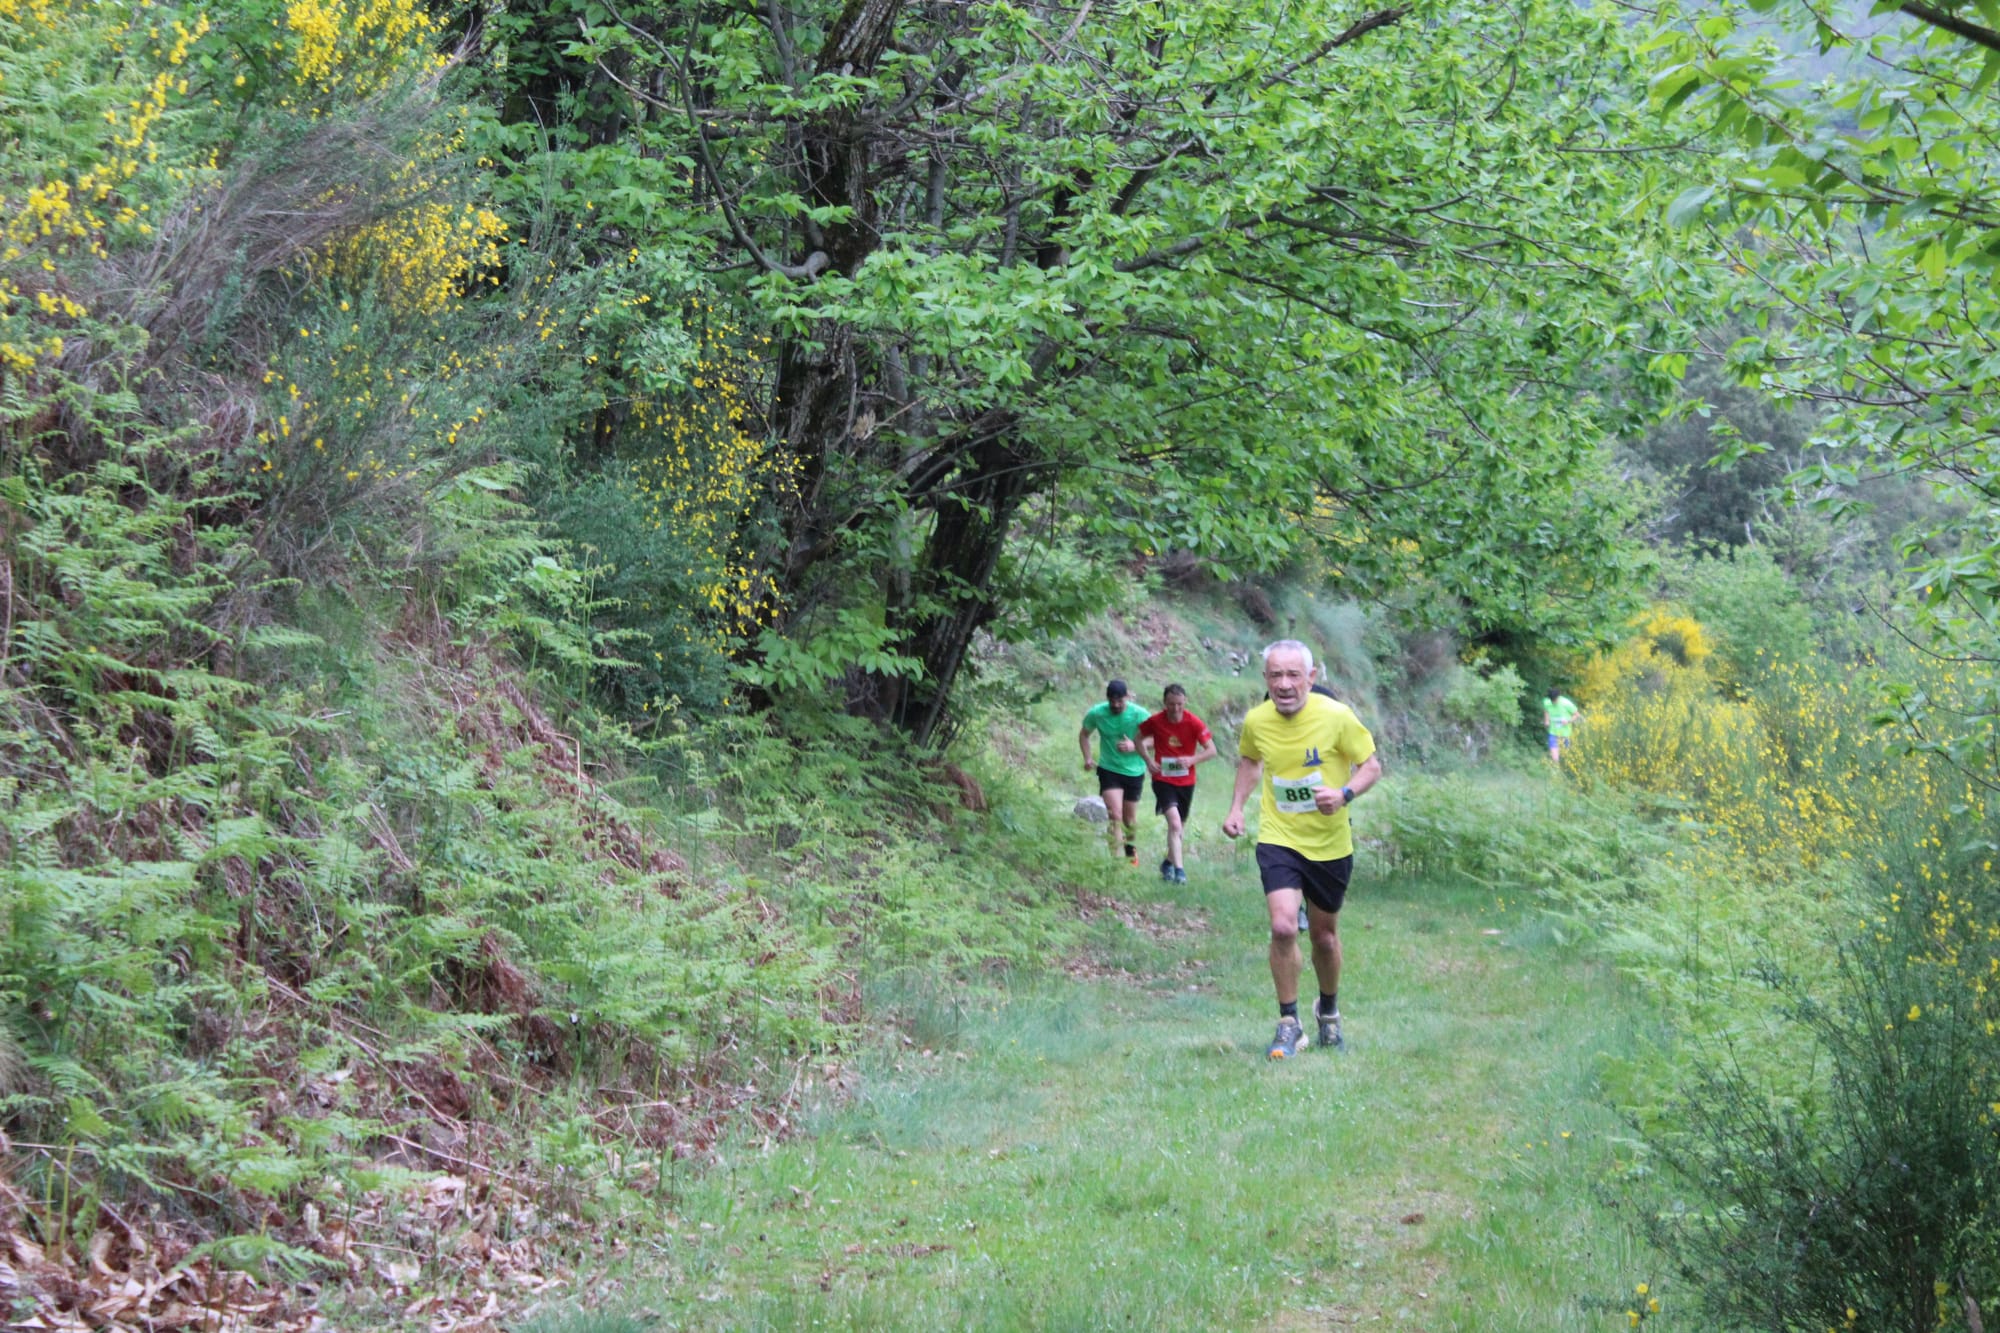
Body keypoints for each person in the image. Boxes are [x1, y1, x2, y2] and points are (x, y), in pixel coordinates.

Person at [1223, 640, 1383, 1060]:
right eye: (1275, 675)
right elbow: (1250, 761)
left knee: (1324, 938)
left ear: (1311, 678)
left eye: (1293, 675)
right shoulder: (1257, 720)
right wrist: (1236, 807)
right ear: (1265, 679)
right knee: (1282, 927)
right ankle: (1288, 1023)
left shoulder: (1337, 717)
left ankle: (1328, 1011)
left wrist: (1344, 794)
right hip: (1279, 838)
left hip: (1329, 844)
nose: (1284, 684)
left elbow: (1371, 766)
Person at [1137, 683, 1218, 884]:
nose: (1175, 709)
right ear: (1164, 703)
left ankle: (1168, 863)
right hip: (1163, 779)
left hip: (1186, 781)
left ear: (1185, 702)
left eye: (1179, 704)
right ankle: (1180, 872)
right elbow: (1138, 740)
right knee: (1174, 823)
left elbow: (1211, 750)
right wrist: (1148, 761)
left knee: (1178, 828)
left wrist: (1192, 760)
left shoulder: (1194, 722)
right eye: (1171, 704)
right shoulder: (1155, 721)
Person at [1079, 679, 1151, 866]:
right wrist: (1087, 758)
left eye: (1120, 701)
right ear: (1107, 699)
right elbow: (1084, 734)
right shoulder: (1097, 713)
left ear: (1127, 697)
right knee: (1114, 815)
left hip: (1134, 772)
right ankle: (1116, 863)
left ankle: (1130, 852)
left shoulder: (1140, 714)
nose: (1116, 705)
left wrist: (1134, 745)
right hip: (1109, 769)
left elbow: (1155, 739)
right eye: (1112, 701)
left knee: (1129, 821)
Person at [1542, 687, 1579, 764]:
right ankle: (1555, 768)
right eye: (1552, 701)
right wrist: (1546, 720)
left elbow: (1576, 715)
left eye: (1555, 700)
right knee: (1555, 757)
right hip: (1553, 732)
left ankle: (1563, 767)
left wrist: (1568, 721)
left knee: (1565, 756)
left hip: (1565, 733)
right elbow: (1546, 710)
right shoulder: (1547, 702)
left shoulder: (1566, 703)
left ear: (1558, 697)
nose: (1553, 702)